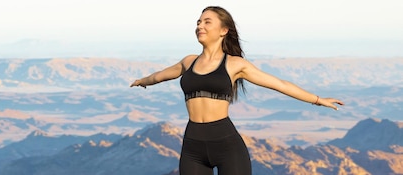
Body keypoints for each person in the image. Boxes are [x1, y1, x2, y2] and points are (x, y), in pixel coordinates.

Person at [129, 6, 344, 175]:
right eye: (198, 22)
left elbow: (280, 84)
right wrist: (142, 81)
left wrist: (317, 99)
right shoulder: (188, 62)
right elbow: (161, 75)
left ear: (224, 30)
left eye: (207, 22)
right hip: (192, 147)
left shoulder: (235, 64)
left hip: (227, 146)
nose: (199, 26)